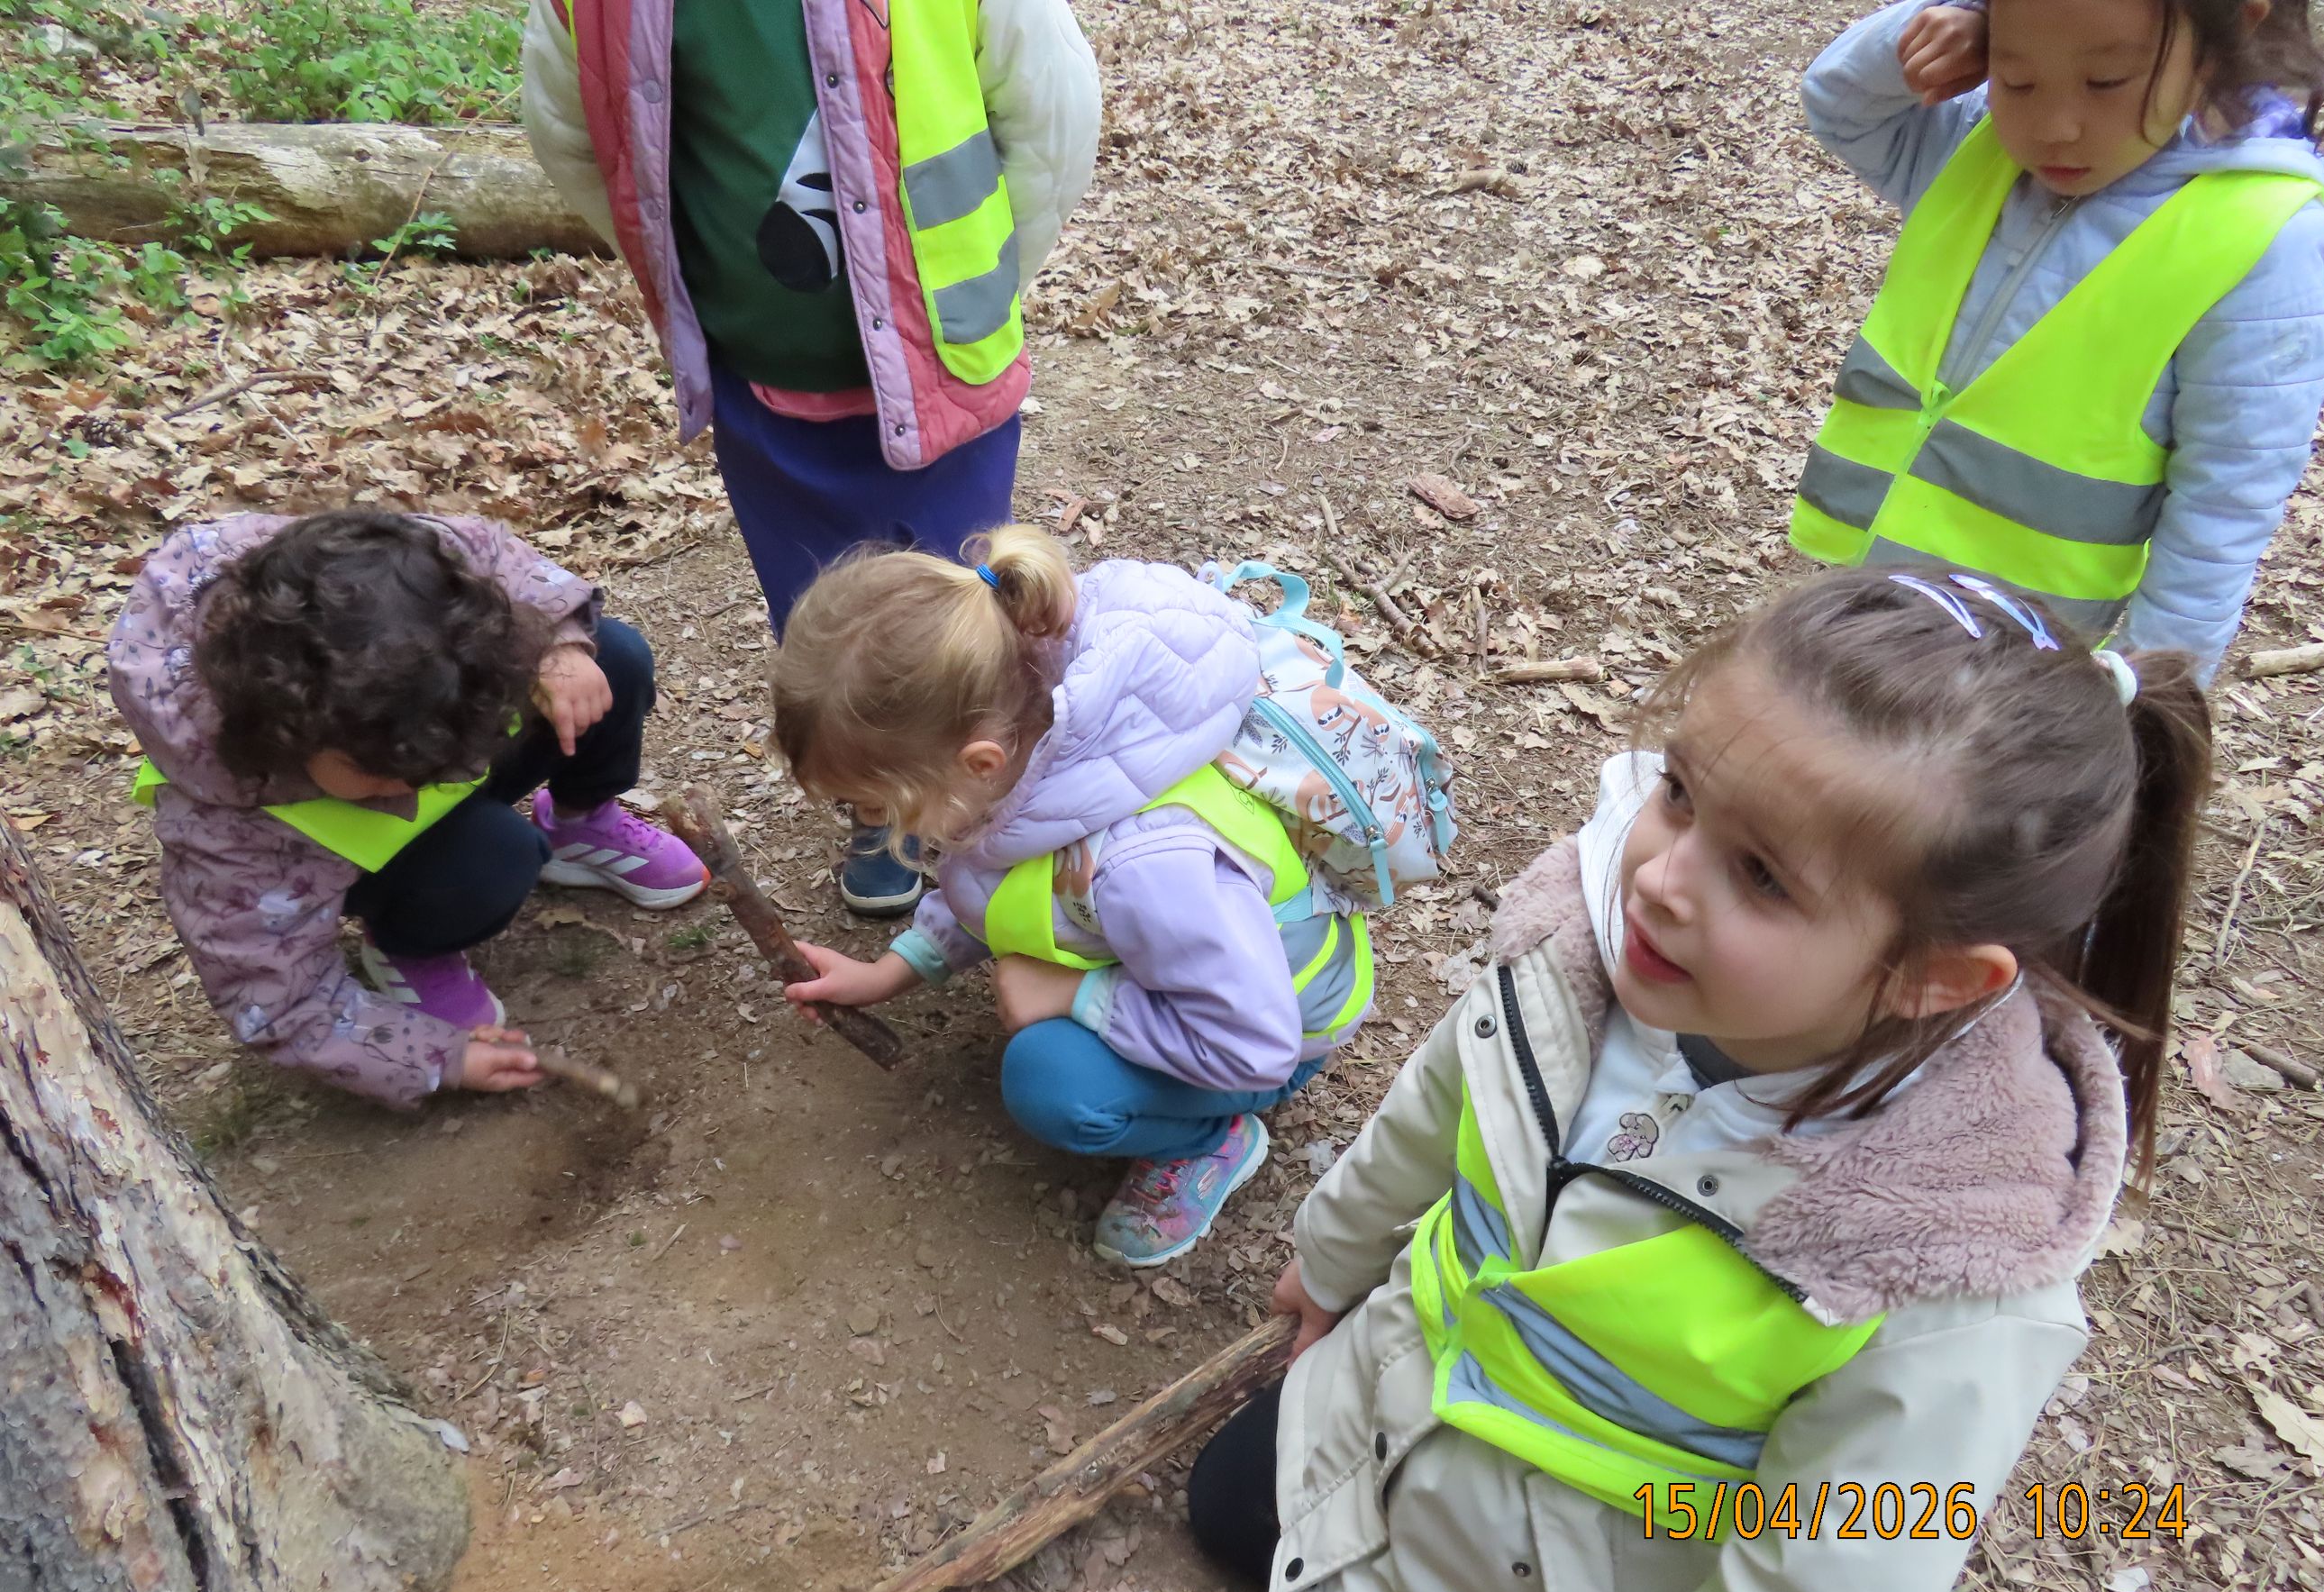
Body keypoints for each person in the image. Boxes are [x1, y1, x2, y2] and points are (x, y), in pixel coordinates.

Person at [1182, 569, 2210, 1592]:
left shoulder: (1945, 1269)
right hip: (1399, 1388)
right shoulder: (1584, 953)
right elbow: (1443, 1096)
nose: (1659, 880)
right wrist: (1334, 1254)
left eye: (1762, 875)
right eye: (1679, 793)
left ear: (1931, 978)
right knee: (1219, 1503)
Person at [521, 0, 1100, 915]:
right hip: (763, 384)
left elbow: (1051, 117)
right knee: (820, 615)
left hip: (944, 363)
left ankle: (1010, 795)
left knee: (968, 607)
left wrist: (985, 286)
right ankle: (886, 800)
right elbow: (581, 137)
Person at [766, 527, 1376, 1267]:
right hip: (1196, 966)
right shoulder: (1031, 749)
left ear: (978, 763)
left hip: (1263, 1031)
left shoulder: (1146, 866)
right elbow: (994, 873)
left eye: (874, 808)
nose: (874, 826)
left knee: (1050, 1078)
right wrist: (890, 972)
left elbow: (1256, 1048)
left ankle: (1208, 1140)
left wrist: (1075, 998)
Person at [1793, 0, 2324, 680]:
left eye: (2106, 82)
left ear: (2226, 29)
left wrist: (2152, 688)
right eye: (2017, 79)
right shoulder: (1977, 139)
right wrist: (1955, 19)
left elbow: (2226, 501)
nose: (2056, 127)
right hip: (1859, 589)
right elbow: (1839, 100)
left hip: (2015, 653)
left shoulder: (2261, 234)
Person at [109, 510, 708, 1107]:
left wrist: (558, 645)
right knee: (495, 857)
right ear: (289, 735)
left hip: (422, 719)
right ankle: (411, 943)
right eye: (380, 775)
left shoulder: (395, 582)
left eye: (438, 762)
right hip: (368, 863)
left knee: (611, 659)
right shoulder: (230, 820)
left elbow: (491, 551)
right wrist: (432, 1055)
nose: (418, 790)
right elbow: (279, 1001)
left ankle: (580, 822)